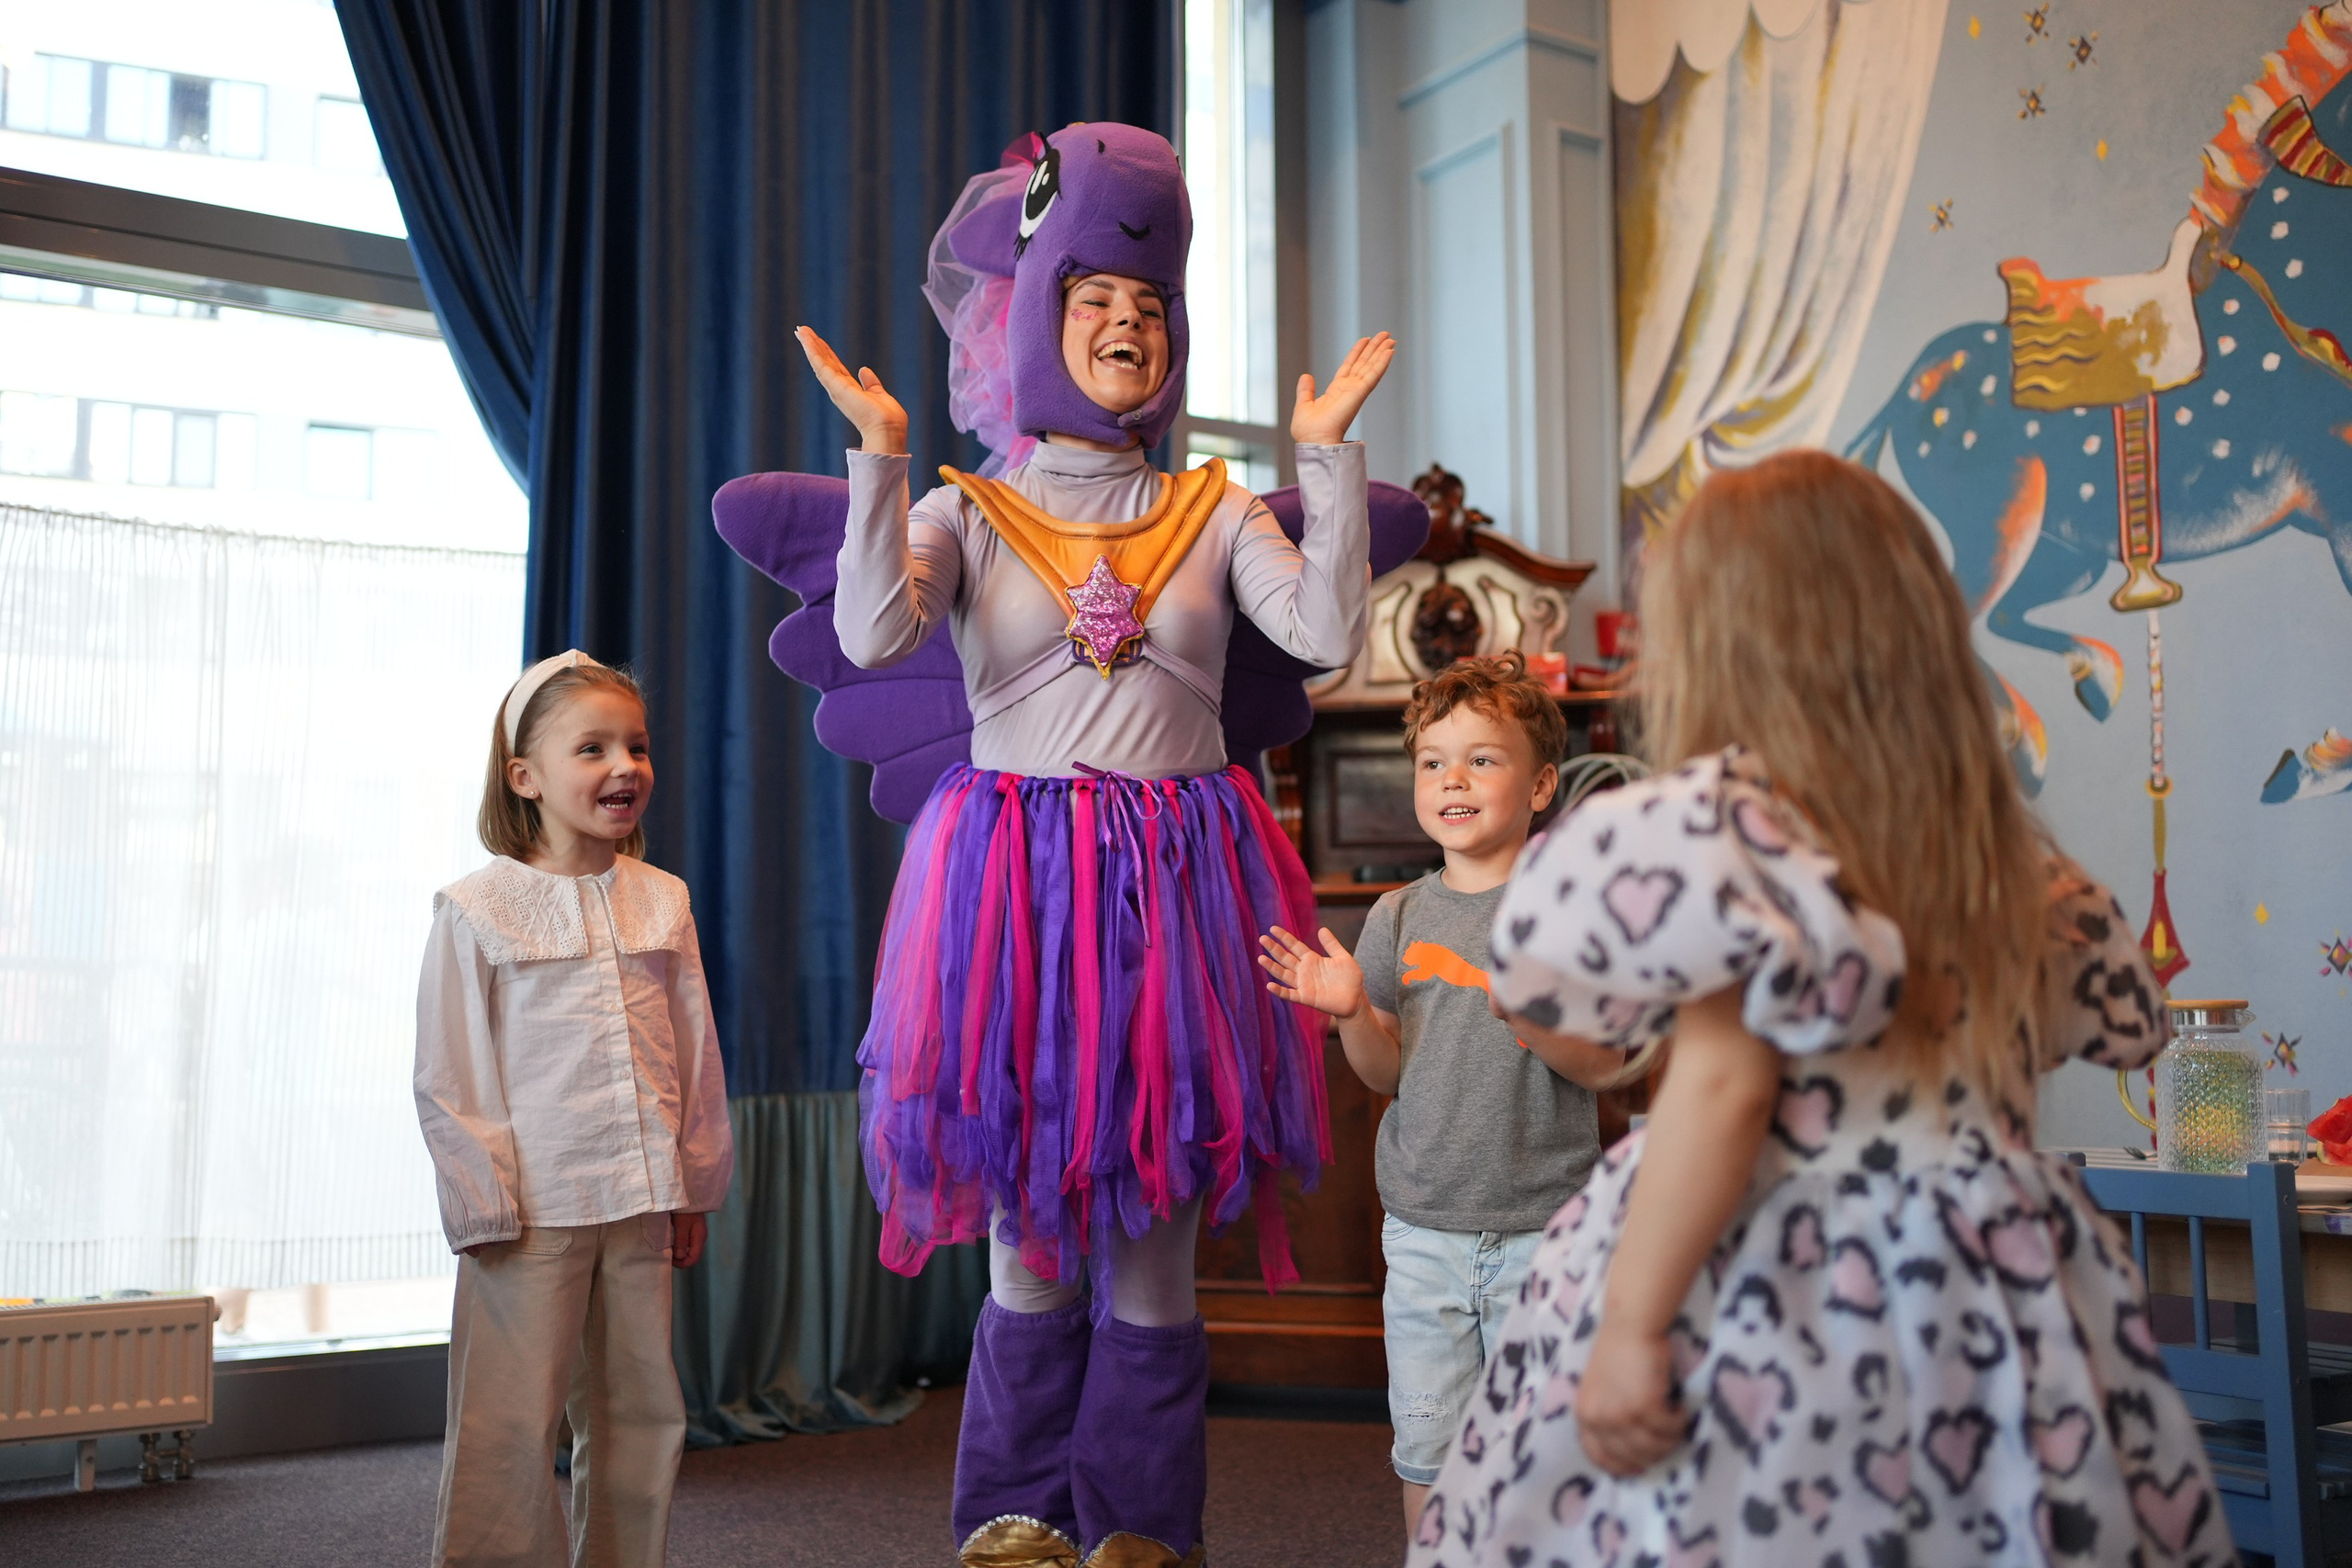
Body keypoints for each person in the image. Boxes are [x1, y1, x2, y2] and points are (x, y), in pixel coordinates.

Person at [1406, 450, 2234, 1566]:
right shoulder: (2003, 864)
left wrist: (1631, 1334)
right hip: (1986, 1283)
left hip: (1774, 1274)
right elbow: (2127, 1025)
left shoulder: (1724, 835)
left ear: (1718, 645)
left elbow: (1720, 1080)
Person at [795, 123, 1394, 1568]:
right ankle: (1012, 1523)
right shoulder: (972, 507)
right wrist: (882, 466)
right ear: (1038, 319)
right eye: (1095, 302)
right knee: (1032, 1240)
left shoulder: (1215, 506)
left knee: (1155, 1246)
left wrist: (1328, 460)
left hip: (1180, 892)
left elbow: (1322, 635)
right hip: (1014, 905)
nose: (1127, 323)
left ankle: (1139, 1531)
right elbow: (874, 630)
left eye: (1149, 307)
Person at [1256, 651, 1627, 1540]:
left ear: (1541, 786)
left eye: (1482, 759)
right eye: (1433, 761)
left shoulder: (1570, 911)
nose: (1452, 778)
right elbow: (1386, 1074)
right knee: (1428, 1451)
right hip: (1423, 1237)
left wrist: (1544, 1025)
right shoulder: (1396, 917)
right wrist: (1351, 1016)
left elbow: (1611, 1066)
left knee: (1545, 1456)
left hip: (1547, 1232)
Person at [414, 650, 734, 1568]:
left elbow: (692, 1048)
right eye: (591, 749)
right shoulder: (478, 909)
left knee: (641, 1414)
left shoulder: (662, 898)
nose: (624, 767)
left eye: (634, 746)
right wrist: (481, 1200)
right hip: (532, 1214)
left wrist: (693, 1181)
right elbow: (448, 1069)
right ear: (526, 777)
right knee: (508, 1424)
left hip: (640, 1203)